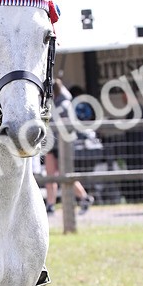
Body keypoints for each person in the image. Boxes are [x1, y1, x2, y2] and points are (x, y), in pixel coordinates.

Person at [44, 80, 93, 214]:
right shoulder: (50, 103)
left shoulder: (64, 104)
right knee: (50, 174)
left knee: (65, 174)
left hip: (63, 144)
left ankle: (84, 198)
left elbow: (61, 122)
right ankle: (50, 204)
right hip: (51, 143)